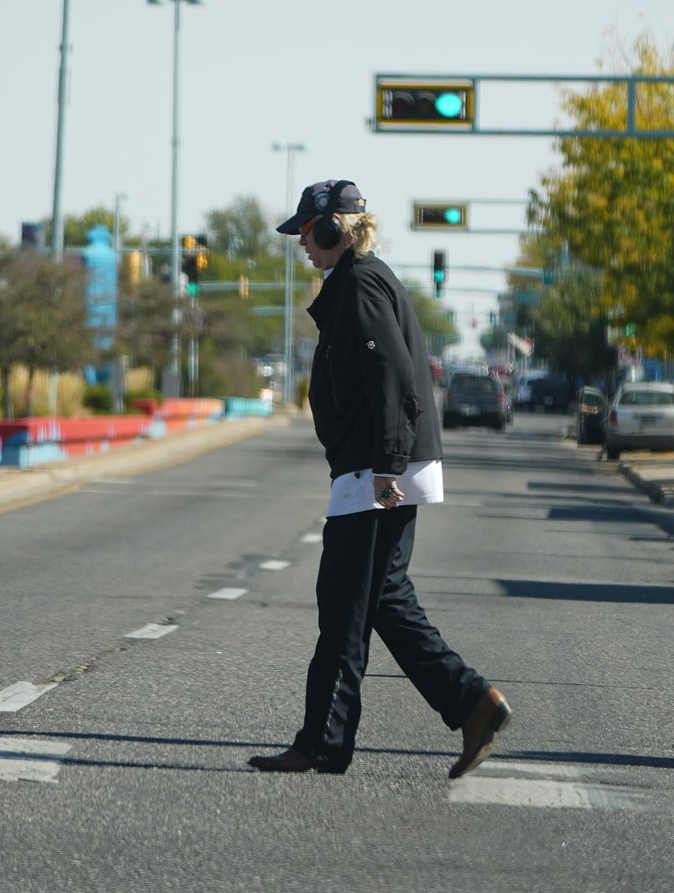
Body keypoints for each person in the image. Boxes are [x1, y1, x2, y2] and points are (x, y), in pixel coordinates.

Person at [248, 179, 511, 777]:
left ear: (333, 229)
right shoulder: (366, 278)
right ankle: (472, 704)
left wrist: (387, 468)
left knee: (343, 604)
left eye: (309, 236)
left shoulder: (360, 283)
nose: (304, 248)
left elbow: (391, 374)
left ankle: (322, 741)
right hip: (378, 462)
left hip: (376, 466)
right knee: (382, 599)